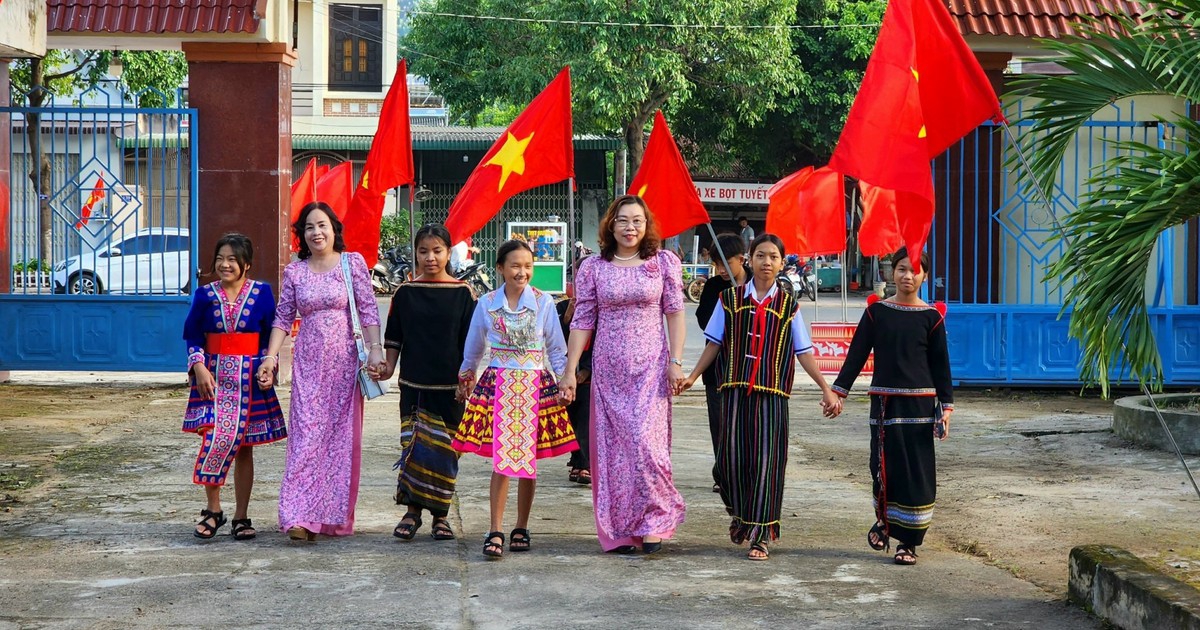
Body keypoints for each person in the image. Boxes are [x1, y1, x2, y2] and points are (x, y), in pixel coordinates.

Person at [682, 234, 842, 561]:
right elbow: (713, 343)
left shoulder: (789, 306)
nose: (766, 262)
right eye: (760, 256)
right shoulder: (729, 299)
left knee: (767, 465)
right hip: (735, 394)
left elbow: (804, 351)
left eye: (773, 257)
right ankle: (741, 515)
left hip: (773, 397)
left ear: (782, 263)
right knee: (729, 462)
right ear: (748, 260)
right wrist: (693, 376)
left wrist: (826, 388)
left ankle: (761, 534)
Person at [559, 194, 688, 555]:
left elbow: (675, 315)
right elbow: (583, 321)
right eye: (623, 221)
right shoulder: (593, 268)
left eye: (637, 221)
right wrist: (570, 369)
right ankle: (621, 529)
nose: (630, 228)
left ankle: (655, 521)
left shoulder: (663, 262)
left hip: (651, 368)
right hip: (608, 371)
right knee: (615, 452)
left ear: (647, 226)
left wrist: (675, 361)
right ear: (610, 225)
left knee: (647, 446)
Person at [258, 201, 384, 542]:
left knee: (340, 443)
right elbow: (283, 318)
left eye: (322, 225)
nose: (317, 232)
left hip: (345, 367)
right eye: (310, 227)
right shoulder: (295, 272)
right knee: (305, 440)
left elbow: (368, 310)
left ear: (334, 229)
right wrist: (270, 357)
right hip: (308, 367)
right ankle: (298, 516)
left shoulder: (351, 264)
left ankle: (330, 517)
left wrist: (375, 350)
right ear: (302, 234)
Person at [454, 239, 577, 559]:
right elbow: (474, 347)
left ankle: (520, 525)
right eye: (515, 266)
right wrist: (467, 375)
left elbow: (556, 348)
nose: (522, 272)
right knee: (502, 461)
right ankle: (495, 528)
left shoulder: (544, 303)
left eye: (527, 266)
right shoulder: (487, 303)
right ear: (500, 268)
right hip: (499, 384)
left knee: (527, 462)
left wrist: (566, 379)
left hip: (534, 385)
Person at [832, 246, 953, 566]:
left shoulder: (932, 317)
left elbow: (941, 365)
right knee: (883, 467)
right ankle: (885, 522)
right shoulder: (877, 312)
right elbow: (856, 354)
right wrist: (838, 392)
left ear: (925, 275)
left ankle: (908, 542)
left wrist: (947, 408)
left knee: (916, 472)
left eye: (914, 270)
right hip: (884, 404)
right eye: (901, 269)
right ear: (891, 272)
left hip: (921, 406)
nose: (907, 276)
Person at [183, 233, 286, 541]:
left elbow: (272, 336)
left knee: (244, 449)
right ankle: (213, 510)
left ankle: (241, 515)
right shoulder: (204, 295)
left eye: (232, 259)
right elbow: (192, 335)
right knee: (213, 439)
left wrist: (270, 366)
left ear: (247, 264)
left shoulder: (262, 293)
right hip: (212, 380)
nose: (224, 265)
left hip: (249, 380)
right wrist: (198, 367)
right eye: (220, 259)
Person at [376, 224, 476, 542]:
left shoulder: (463, 293)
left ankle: (441, 517)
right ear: (415, 254)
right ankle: (412, 512)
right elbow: (394, 337)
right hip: (414, 387)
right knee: (414, 450)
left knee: (446, 454)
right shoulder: (405, 293)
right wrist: (387, 368)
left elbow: (471, 344)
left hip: (450, 389)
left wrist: (467, 378)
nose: (430, 258)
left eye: (437, 251)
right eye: (423, 251)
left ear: (448, 253)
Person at [693, 233, 748, 494]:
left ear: (741, 259)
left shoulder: (757, 283)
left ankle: (745, 472)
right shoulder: (714, 287)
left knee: (746, 425)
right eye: (716, 264)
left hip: (750, 369)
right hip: (717, 368)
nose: (720, 270)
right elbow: (704, 322)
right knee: (720, 423)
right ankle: (723, 474)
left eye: (725, 263)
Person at [557, 255, 593, 487]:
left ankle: (585, 464)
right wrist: (567, 319)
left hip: (592, 372)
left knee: (587, 418)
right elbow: (554, 341)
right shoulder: (562, 306)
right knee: (572, 417)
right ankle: (577, 458)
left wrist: (589, 369)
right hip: (568, 370)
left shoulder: (603, 306)